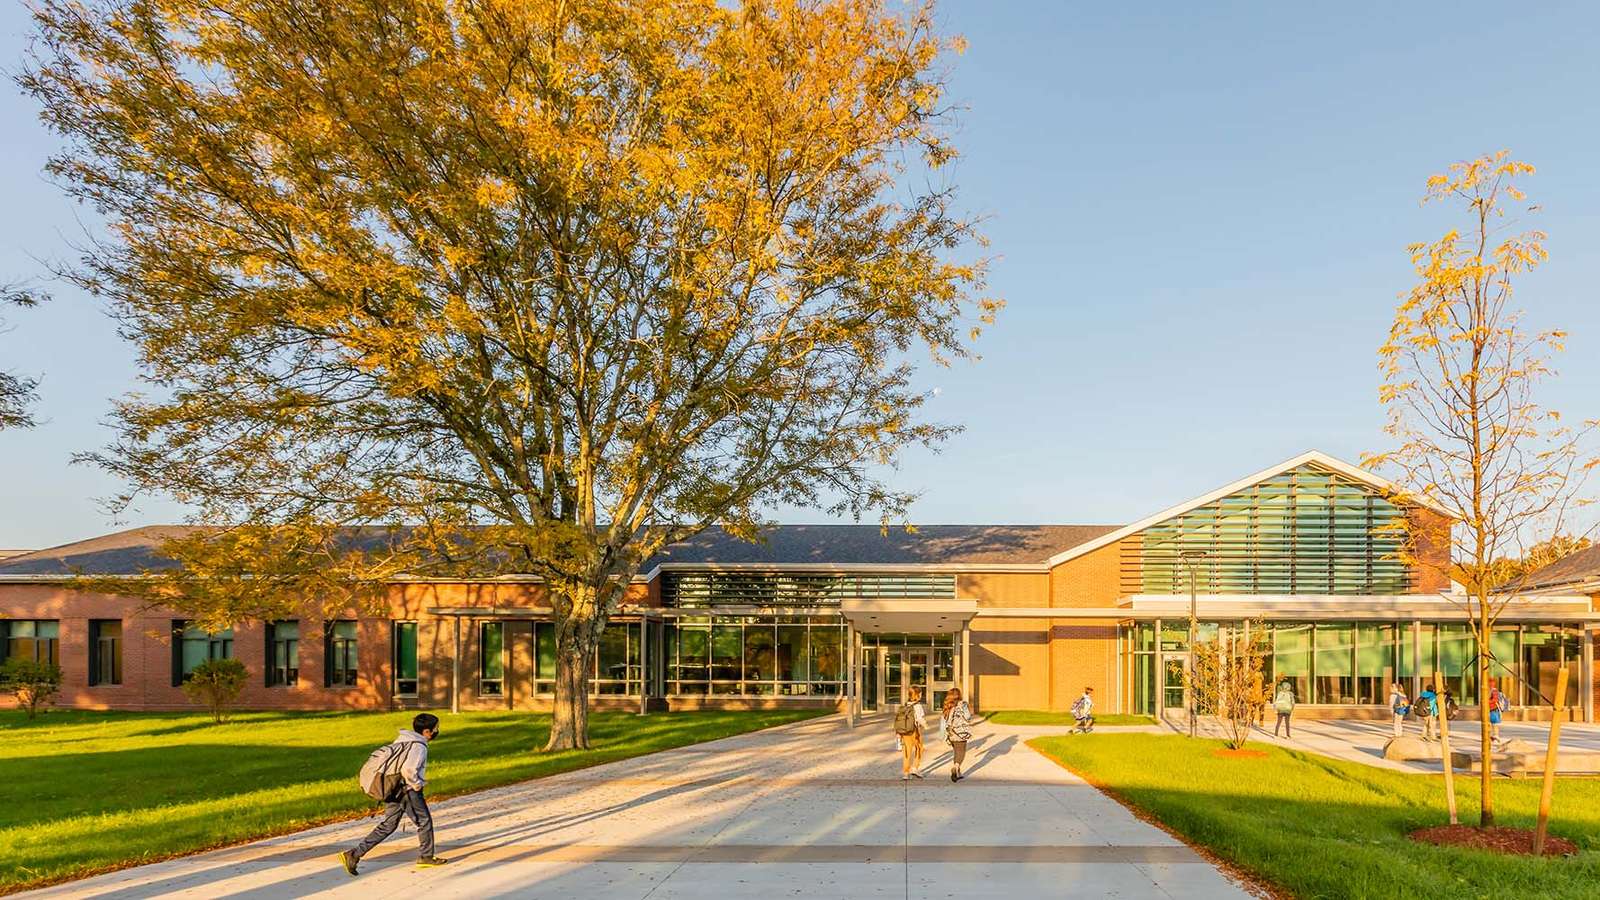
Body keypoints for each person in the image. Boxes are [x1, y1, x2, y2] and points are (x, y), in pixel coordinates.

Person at [340, 713, 449, 875]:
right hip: (407, 789)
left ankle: (354, 854)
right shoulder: (419, 746)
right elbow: (408, 769)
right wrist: (417, 785)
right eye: (435, 729)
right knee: (424, 821)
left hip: (392, 787)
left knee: (389, 825)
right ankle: (426, 857)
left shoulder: (403, 740)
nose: (436, 731)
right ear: (427, 732)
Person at [894, 686, 928, 780]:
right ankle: (915, 768)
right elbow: (919, 719)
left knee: (907, 752)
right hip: (914, 731)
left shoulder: (905, 705)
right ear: (918, 695)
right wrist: (925, 725)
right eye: (920, 693)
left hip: (905, 731)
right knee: (919, 748)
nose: (921, 695)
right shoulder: (918, 706)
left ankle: (906, 773)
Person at [941, 688, 974, 782]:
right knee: (961, 753)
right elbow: (968, 717)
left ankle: (958, 772)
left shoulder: (948, 705)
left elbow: (944, 720)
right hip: (961, 732)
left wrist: (943, 734)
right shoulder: (963, 704)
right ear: (959, 695)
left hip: (951, 733)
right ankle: (955, 767)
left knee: (956, 752)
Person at [1487, 679, 1508, 746]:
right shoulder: (1490, 691)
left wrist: (1487, 701)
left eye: (1489, 683)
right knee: (1491, 724)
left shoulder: (1494, 691)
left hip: (1494, 710)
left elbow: (1495, 699)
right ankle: (1493, 737)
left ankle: (1496, 737)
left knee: (1494, 724)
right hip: (1491, 709)